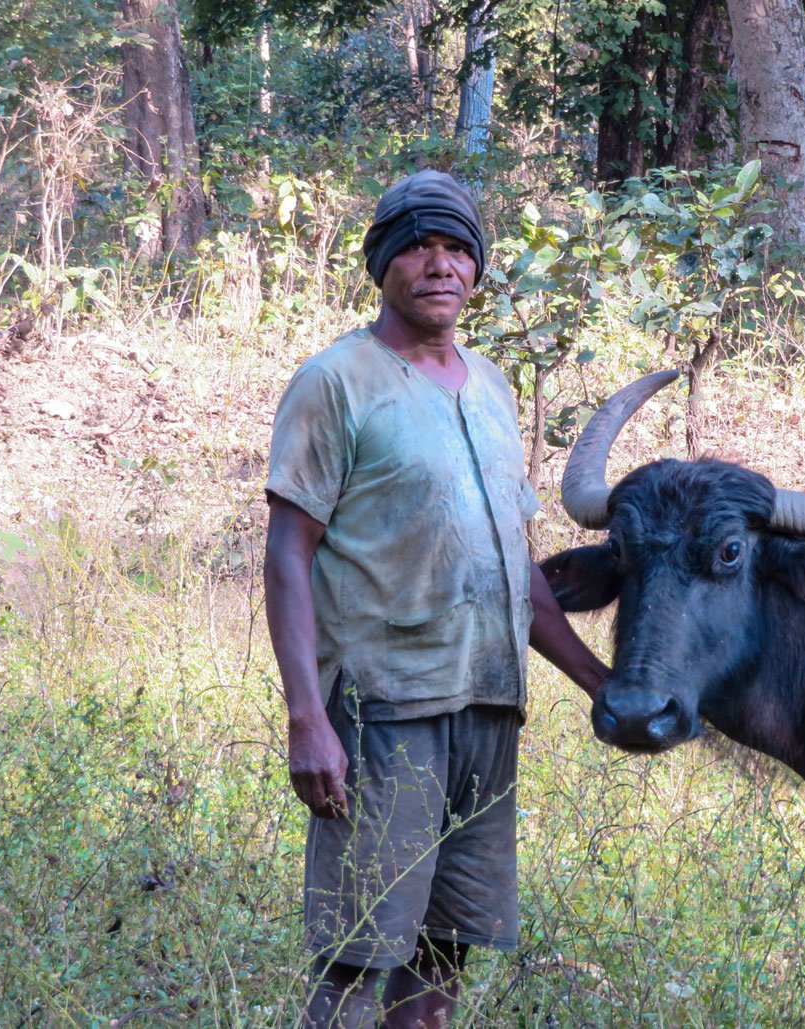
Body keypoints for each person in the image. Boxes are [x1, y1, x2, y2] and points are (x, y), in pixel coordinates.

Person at [264, 169, 609, 1029]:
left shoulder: (491, 386)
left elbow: (512, 566)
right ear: (382, 263)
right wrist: (308, 718)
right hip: (386, 712)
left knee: (444, 953)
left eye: (458, 247)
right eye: (418, 245)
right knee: (357, 956)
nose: (440, 264)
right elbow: (286, 555)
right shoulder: (337, 381)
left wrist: (603, 683)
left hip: (489, 709)